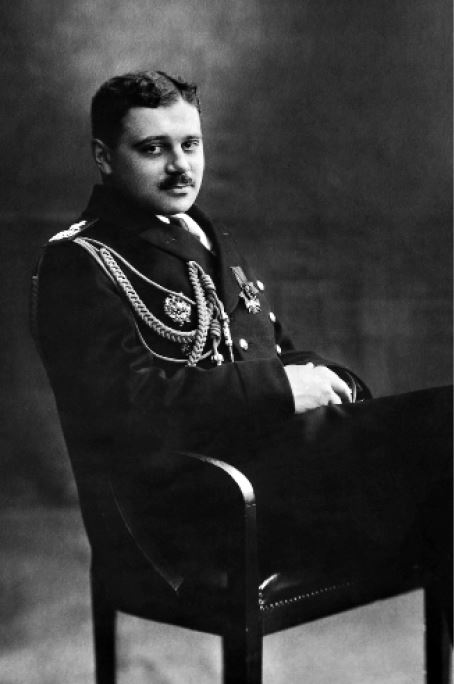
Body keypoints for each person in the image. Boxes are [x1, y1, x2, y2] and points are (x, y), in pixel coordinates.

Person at [32, 70, 452, 632]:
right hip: (195, 508)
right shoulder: (80, 260)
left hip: (271, 478)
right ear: (104, 157)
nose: (180, 166)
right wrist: (281, 389)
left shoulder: (205, 235)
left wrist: (333, 383)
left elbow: (273, 353)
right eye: (154, 149)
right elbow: (126, 408)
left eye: (191, 144)